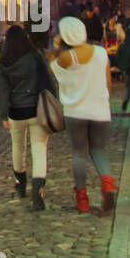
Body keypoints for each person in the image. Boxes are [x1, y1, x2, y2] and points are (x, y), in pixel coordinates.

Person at [50, 15, 116, 213]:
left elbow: (53, 71)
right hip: (99, 109)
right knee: (99, 150)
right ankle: (107, 184)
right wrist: (103, 101)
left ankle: (82, 199)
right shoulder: (101, 53)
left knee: (79, 153)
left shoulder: (66, 57)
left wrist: (56, 49)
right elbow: (108, 82)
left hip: (76, 111)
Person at [0, 24, 55, 210]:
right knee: (39, 149)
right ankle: (38, 190)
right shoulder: (35, 56)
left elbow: (3, 90)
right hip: (36, 109)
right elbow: (48, 80)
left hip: (16, 111)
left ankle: (20, 183)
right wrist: (56, 101)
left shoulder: (5, 61)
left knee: (18, 147)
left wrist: (4, 114)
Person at [116, 23, 130, 113]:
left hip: (127, 69)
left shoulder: (123, 44)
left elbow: (118, 57)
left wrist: (122, 67)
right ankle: (127, 98)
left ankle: (127, 98)